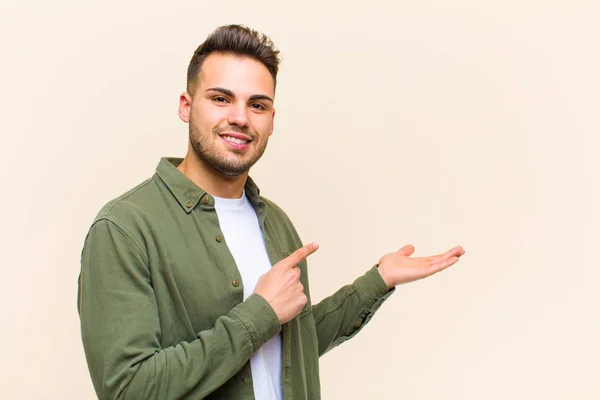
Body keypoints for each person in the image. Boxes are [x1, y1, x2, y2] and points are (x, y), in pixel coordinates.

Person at [77, 24, 465, 400]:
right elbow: (128, 389)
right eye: (220, 98)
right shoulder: (124, 228)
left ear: (272, 120)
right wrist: (259, 313)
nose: (241, 118)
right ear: (186, 105)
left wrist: (378, 280)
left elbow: (293, 347)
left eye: (257, 105)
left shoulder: (275, 222)